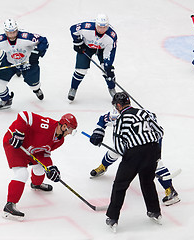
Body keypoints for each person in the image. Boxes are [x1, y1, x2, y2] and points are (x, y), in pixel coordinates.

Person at [88, 109, 180, 206]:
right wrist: (98, 133)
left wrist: (157, 154)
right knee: (114, 151)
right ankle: (103, 166)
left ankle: (170, 190)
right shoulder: (116, 115)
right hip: (127, 142)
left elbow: (159, 135)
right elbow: (103, 119)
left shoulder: (145, 116)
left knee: (156, 164)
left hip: (145, 144)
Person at [102, 92, 164, 232]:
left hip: (134, 154)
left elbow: (118, 146)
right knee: (148, 182)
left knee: (120, 185)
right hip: (152, 150)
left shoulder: (121, 119)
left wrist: (131, 155)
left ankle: (113, 217)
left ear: (118, 105)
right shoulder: (144, 113)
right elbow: (159, 132)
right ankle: (155, 211)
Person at [2, 111, 77, 219]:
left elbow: (44, 153)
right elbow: (24, 115)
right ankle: (9, 206)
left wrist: (50, 168)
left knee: (41, 167)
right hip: (15, 144)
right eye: (70, 130)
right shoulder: (47, 125)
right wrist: (19, 133)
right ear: (64, 126)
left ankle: (36, 184)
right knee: (22, 174)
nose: (70, 133)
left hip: (31, 148)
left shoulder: (60, 140)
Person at [0, 18, 49, 110]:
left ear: (17, 30)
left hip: (28, 63)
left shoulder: (26, 37)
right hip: (9, 63)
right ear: (5, 32)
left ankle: (36, 89)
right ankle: (6, 100)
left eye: (14, 32)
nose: (12, 35)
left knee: (34, 84)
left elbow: (44, 41)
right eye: (9, 32)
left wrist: (37, 53)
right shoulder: (0, 40)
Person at [68, 13, 117, 101]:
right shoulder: (87, 27)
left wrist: (107, 64)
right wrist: (78, 42)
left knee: (107, 70)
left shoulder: (111, 36)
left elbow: (110, 52)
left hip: (102, 50)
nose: (102, 30)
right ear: (96, 25)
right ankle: (73, 88)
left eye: (104, 27)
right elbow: (73, 29)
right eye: (100, 27)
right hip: (86, 47)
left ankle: (111, 88)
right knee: (80, 70)